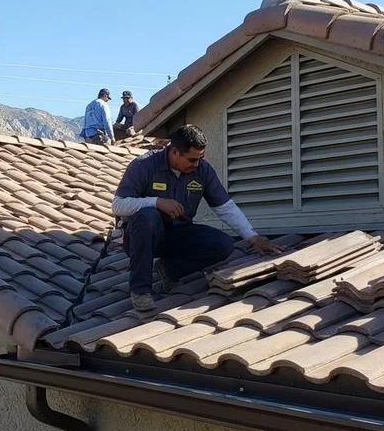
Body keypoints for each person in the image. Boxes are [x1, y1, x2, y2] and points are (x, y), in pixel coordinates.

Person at [112, 124, 283, 312]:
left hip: (177, 233)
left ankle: (169, 271)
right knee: (147, 216)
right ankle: (140, 291)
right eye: (192, 160)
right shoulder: (143, 165)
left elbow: (224, 206)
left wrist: (253, 237)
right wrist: (156, 202)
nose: (196, 165)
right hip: (142, 238)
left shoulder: (202, 170)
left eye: (200, 159)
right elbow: (118, 205)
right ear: (175, 152)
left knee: (223, 244)